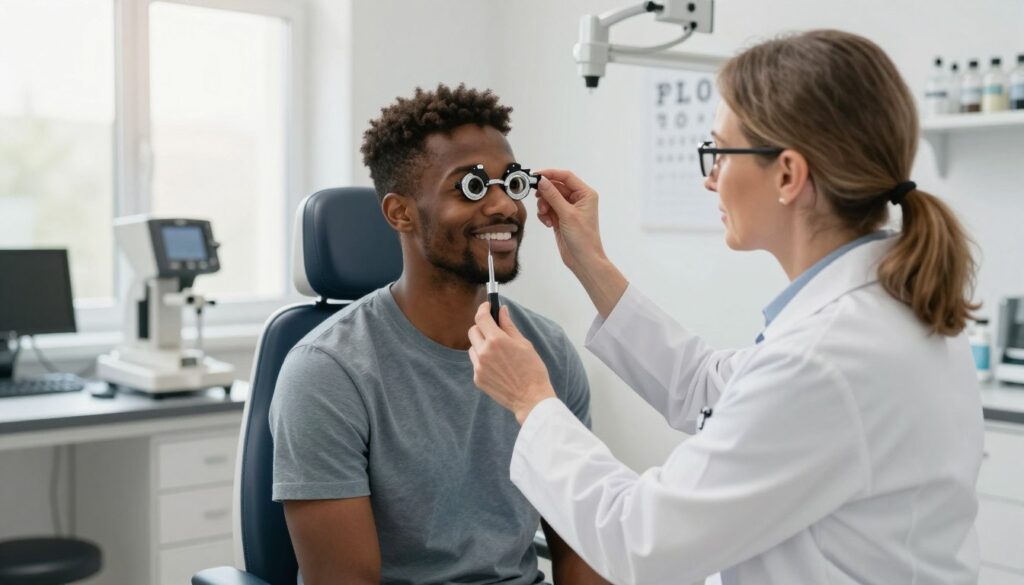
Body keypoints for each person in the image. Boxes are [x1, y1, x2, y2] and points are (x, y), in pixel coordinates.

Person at [467, 30, 984, 585]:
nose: (710, 178)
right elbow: (707, 384)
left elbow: (640, 539)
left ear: (788, 174)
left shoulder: (825, 359)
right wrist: (591, 262)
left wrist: (531, 400)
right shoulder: (888, 311)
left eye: (718, 151)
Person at [269, 84, 605, 585]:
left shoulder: (549, 351)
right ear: (400, 213)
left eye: (510, 183)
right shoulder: (327, 372)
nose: (504, 207)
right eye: (470, 187)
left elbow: (581, 548)